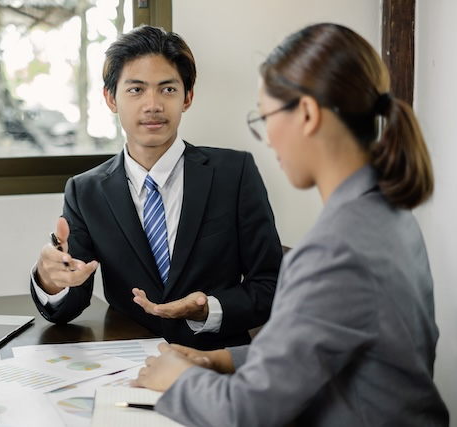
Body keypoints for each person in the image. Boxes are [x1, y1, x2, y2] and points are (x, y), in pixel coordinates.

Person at [132, 23, 450, 426]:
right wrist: (219, 358)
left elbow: (250, 412)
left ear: (307, 114)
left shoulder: (337, 248)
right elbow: (316, 348)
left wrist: (178, 380)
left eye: (265, 117)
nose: (267, 139)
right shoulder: (385, 213)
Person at [29, 25, 283, 350]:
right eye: (136, 90)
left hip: (215, 360)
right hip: (125, 362)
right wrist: (51, 281)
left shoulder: (234, 174)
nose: (153, 105)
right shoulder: (85, 191)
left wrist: (209, 308)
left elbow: (271, 284)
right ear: (111, 99)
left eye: (167, 89)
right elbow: (71, 302)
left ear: (187, 97)